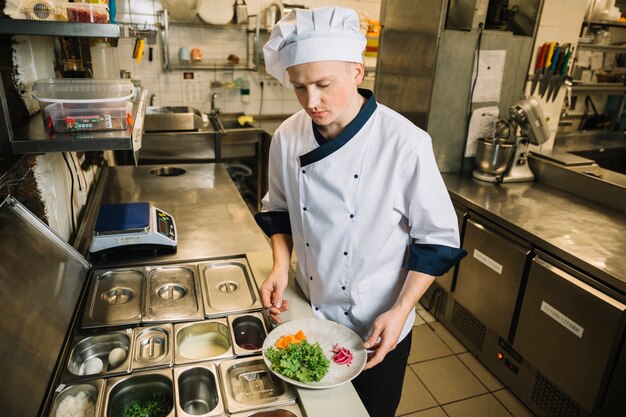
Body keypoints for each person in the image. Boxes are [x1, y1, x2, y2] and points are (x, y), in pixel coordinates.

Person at [255, 6, 467, 417]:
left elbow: (437, 241)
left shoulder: (404, 143)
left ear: (357, 71)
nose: (311, 101)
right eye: (299, 87)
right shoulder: (286, 136)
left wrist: (401, 310)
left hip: (379, 324)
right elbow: (278, 211)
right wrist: (281, 266)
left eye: (323, 84)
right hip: (309, 312)